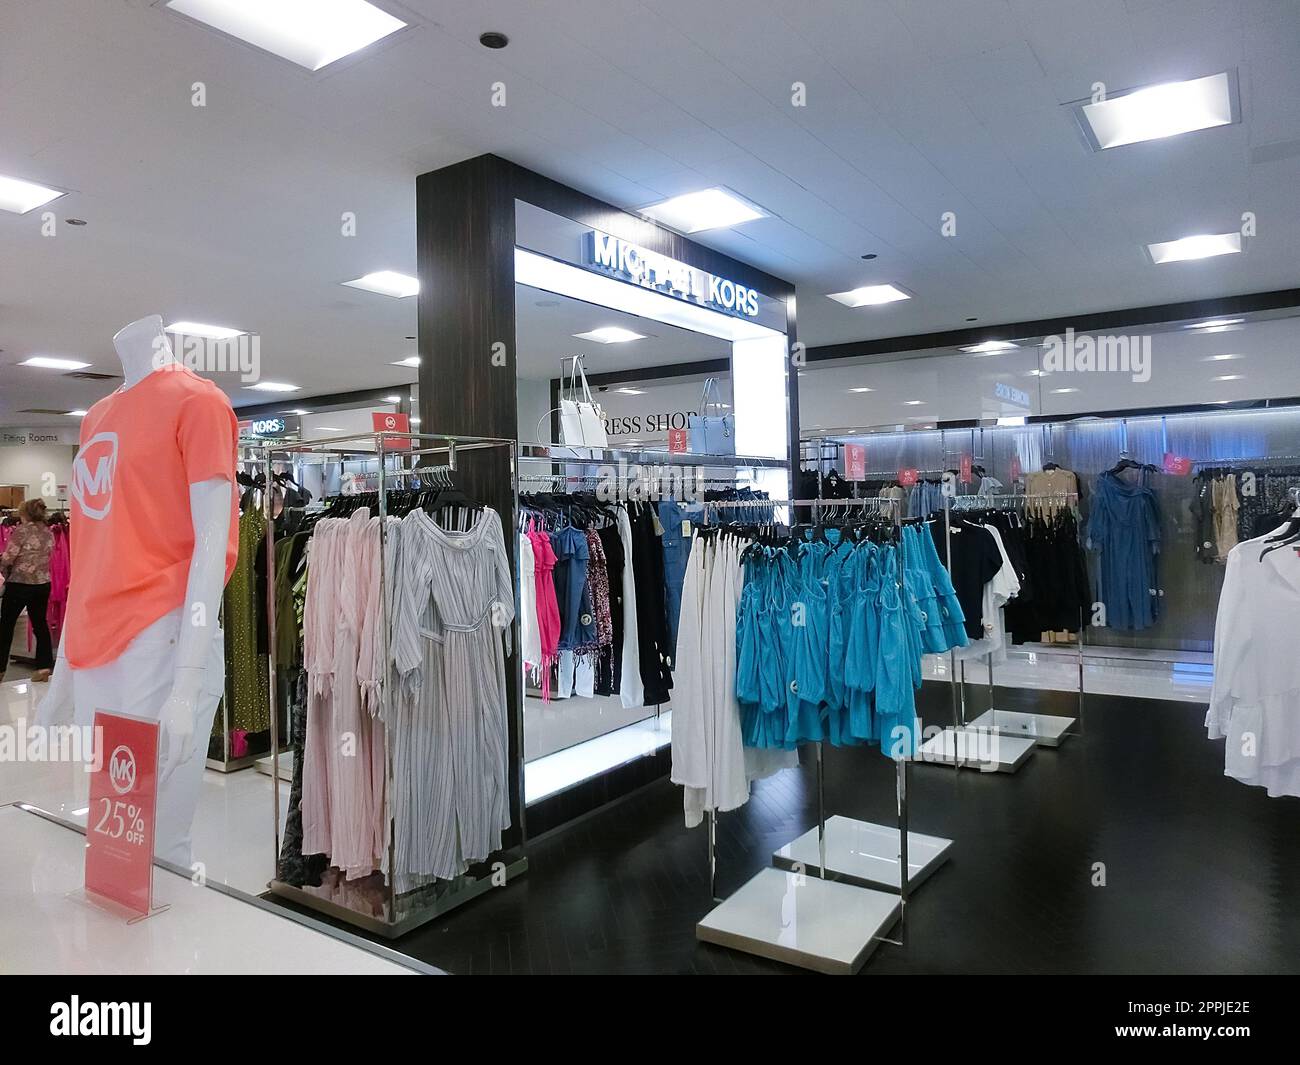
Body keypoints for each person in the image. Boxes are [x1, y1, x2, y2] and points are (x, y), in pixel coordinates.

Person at [0, 498, 56, 683]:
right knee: (40, 624)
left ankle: (0, 669)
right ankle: (44, 666)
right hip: (42, 584)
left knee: (6, 625)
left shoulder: (21, 531)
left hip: (19, 584)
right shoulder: (48, 533)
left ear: (25, 513)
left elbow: (9, 557)